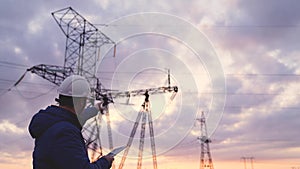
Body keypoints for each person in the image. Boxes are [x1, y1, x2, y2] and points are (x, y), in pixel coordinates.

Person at [28, 75, 114, 169]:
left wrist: (96, 108)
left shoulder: (53, 121)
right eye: (85, 100)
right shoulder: (66, 132)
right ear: (81, 102)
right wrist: (105, 162)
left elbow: (77, 118)